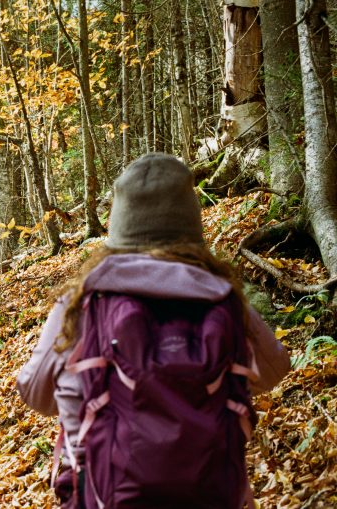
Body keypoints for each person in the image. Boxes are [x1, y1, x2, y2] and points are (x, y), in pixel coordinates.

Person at [17, 153, 290, 508]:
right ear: (192, 226)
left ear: (118, 228)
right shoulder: (223, 300)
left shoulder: (81, 304)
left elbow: (35, 393)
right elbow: (274, 371)